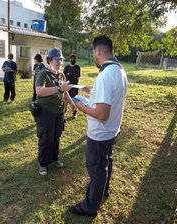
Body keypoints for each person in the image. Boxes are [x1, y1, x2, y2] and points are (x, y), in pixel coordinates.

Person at [68, 35, 128, 217]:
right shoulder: (119, 70)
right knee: (106, 163)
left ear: (98, 51)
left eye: (93, 52)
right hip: (112, 131)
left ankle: (90, 207)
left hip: (100, 134)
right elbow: (111, 96)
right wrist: (93, 92)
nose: (93, 55)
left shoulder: (105, 75)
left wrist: (81, 106)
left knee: (96, 170)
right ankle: (104, 191)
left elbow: (102, 114)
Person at [35, 48, 76, 175]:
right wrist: (59, 88)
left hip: (59, 112)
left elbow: (64, 91)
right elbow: (39, 91)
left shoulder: (61, 75)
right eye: (57, 60)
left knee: (56, 137)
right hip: (45, 112)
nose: (59, 63)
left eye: (61, 60)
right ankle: (43, 163)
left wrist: (71, 102)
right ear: (49, 60)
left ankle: (55, 158)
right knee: (45, 138)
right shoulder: (43, 74)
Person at [63, 54, 81, 118]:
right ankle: (65, 111)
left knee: (74, 99)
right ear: (69, 60)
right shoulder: (66, 67)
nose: (72, 60)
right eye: (71, 59)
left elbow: (78, 75)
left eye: (74, 59)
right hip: (68, 85)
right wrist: (73, 75)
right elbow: (64, 75)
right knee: (66, 99)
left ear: (75, 60)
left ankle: (74, 112)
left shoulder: (77, 67)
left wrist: (70, 74)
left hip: (75, 86)